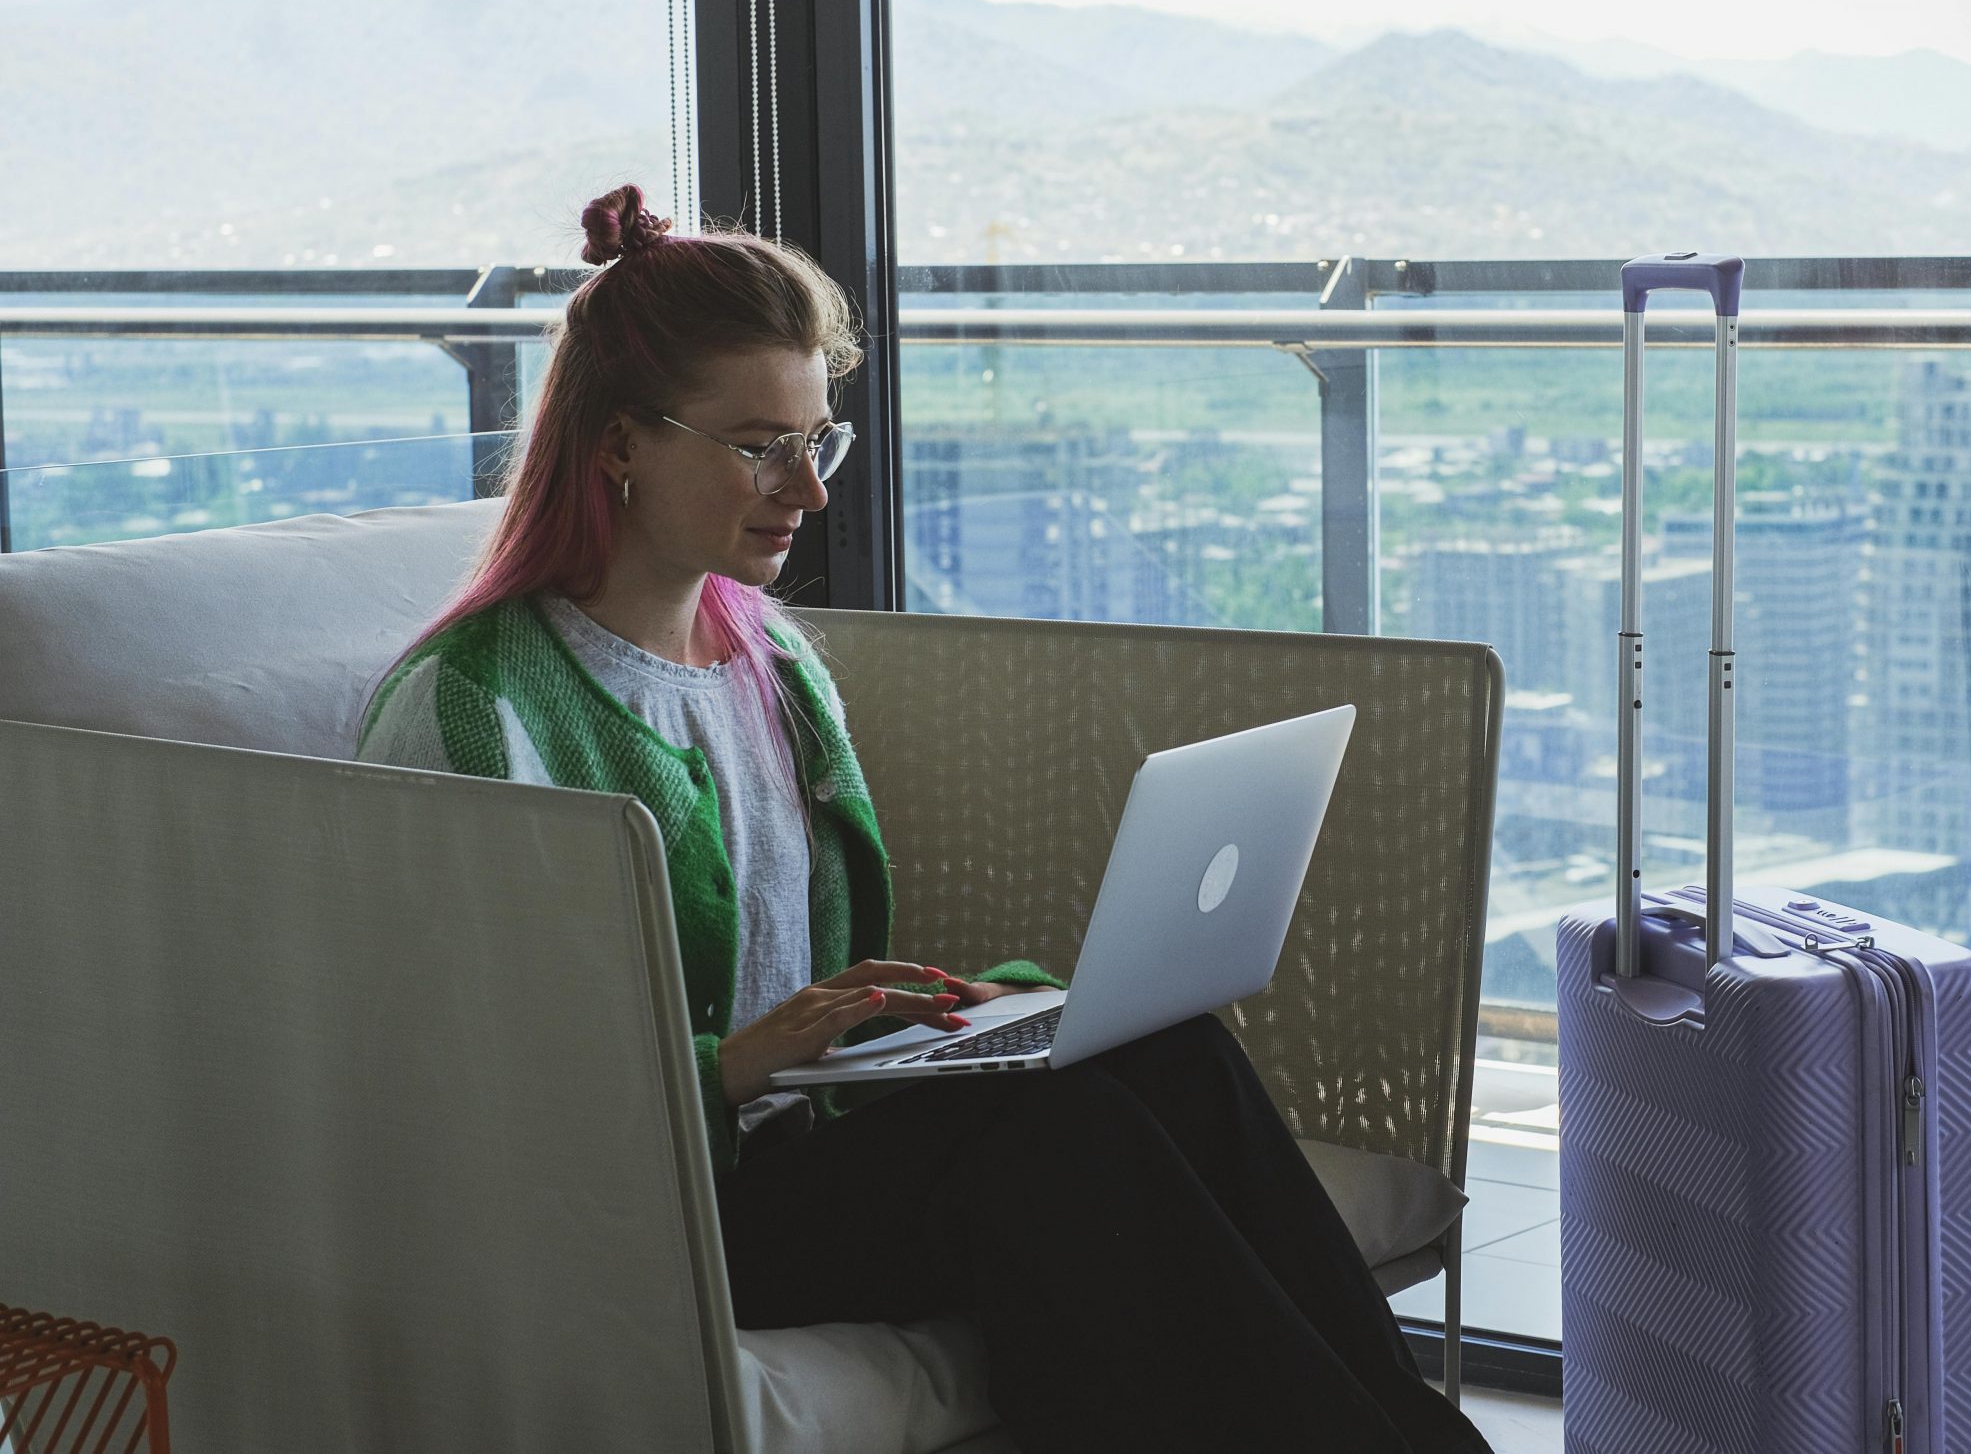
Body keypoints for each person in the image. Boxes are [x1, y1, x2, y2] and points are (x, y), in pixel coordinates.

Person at [357, 186, 1492, 1454]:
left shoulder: (770, 661)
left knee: (1167, 1054)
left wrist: (967, 1020)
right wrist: (734, 1064)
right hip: (657, 1205)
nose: (806, 490)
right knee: (1060, 1143)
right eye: (759, 446)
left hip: (806, 1142)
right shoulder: (475, 711)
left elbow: (811, 979)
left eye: (816, 441)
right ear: (621, 444)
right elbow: (468, 1085)